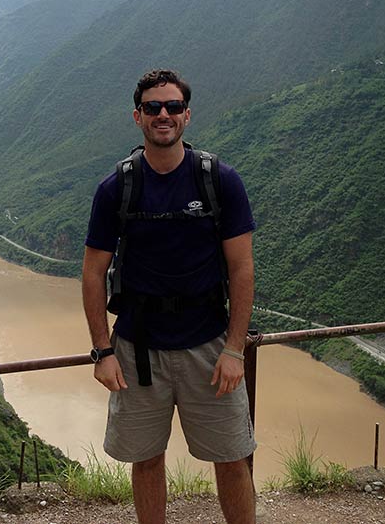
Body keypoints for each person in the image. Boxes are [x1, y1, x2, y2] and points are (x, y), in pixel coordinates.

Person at [82, 69, 257, 524]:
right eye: (154, 107)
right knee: (147, 459)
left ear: (187, 115)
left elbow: (241, 269)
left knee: (232, 458)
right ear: (137, 116)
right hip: (138, 348)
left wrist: (235, 349)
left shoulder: (219, 181)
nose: (164, 115)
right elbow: (92, 272)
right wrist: (103, 350)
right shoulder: (115, 189)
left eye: (173, 107)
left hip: (209, 344)